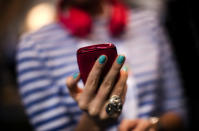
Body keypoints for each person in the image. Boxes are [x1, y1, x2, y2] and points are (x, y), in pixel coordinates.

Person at [16, 0, 187, 130]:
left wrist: (154, 124)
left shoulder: (149, 25)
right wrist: (93, 122)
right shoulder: (34, 46)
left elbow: (179, 113)